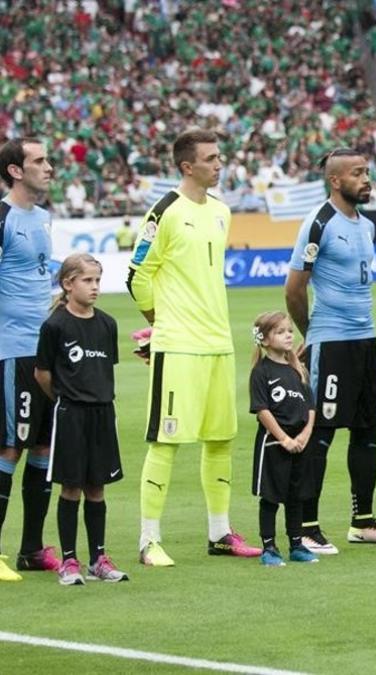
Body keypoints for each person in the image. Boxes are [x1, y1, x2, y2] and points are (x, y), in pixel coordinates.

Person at [128, 128, 260, 566]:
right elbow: (137, 275)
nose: (219, 164)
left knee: (221, 439)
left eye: (220, 156)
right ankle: (149, 540)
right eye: (211, 158)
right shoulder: (164, 211)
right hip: (179, 345)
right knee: (166, 442)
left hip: (218, 343)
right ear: (188, 166)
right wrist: (159, 321)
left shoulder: (222, 211)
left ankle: (220, 532)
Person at [285, 148, 376, 555]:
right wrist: (311, 333)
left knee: (367, 433)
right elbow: (294, 289)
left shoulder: (365, 225)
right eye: (357, 173)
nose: (367, 179)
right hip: (330, 342)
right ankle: (308, 526)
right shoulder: (319, 223)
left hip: (364, 339)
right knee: (321, 434)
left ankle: (362, 521)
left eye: (367, 172)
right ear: (336, 181)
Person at [33, 253, 128, 585]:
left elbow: (104, 370)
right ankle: (69, 560)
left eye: (98, 280)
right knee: (71, 486)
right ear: (67, 283)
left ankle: (98, 558)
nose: (95, 287)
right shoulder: (55, 326)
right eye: (88, 280)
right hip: (71, 413)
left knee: (97, 487)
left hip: (103, 413)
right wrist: (63, 398)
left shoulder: (107, 324)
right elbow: (42, 373)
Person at [0, 137, 59, 581]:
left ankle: (31, 550)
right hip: (12, 351)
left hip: (44, 353)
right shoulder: (2, 218)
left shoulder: (42, 217)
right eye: (39, 161)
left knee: (42, 447)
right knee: (9, 447)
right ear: (16, 171)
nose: (49, 167)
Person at [248, 312, 318, 567]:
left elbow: (310, 407)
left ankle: (297, 544)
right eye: (280, 332)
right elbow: (262, 410)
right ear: (264, 339)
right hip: (274, 445)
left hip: (300, 445)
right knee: (270, 498)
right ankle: (269, 547)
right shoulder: (261, 372)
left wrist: (303, 436)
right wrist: (285, 439)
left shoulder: (297, 371)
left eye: (289, 330)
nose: (288, 335)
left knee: (296, 497)